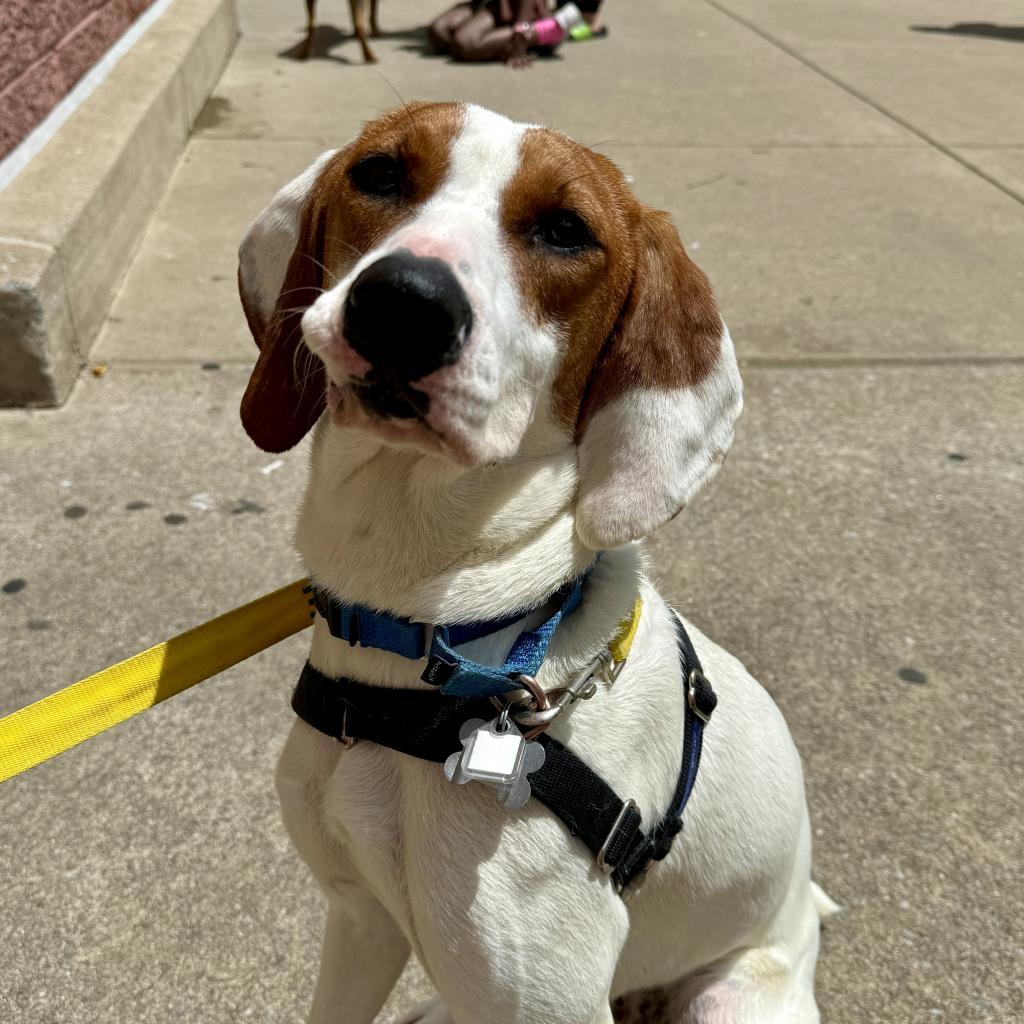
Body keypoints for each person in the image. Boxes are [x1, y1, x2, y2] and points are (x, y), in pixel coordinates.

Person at [428, 1, 594, 68]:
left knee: (465, 44)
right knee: (439, 32)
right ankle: (499, 42)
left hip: (525, 10)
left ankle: (547, 30)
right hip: (494, 4)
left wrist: (519, 38)